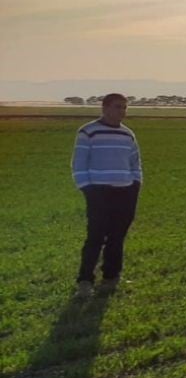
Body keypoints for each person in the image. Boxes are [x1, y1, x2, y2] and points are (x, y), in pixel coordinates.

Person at [72, 93, 142, 297]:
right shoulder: (88, 132)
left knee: (117, 237)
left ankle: (111, 278)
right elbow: (79, 163)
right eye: (117, 107)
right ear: (104, 108)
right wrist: (87, 188)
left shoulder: (128, 135)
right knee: (95, 236)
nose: (122, 111)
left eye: (124, 107)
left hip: (125, 191)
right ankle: (85, 282)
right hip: (98, 192)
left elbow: (135, 162)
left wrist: (135, 184)